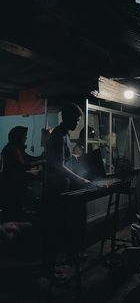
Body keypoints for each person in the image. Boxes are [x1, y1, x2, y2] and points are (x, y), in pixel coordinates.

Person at [43, 102, 89, 279]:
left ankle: (52, 265)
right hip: (55, 189)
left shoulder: (65, 135)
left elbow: (64, 158)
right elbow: (58, 165)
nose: (78, 123)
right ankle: (49, 268)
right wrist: (79, 179)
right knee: (53, 229)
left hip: (61, 187)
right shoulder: (58, 136)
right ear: (67, 118)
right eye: (76, 119)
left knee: (58, 227)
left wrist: (76, 157)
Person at [1, 126, 45, 221]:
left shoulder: (15, 148)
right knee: (13, 213)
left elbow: (30, 159)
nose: (26, 138)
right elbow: (23, 165)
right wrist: (41, 161)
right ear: (18, 137)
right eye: (24, 136)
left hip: (14, 186)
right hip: (12, 188)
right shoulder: (12, 150)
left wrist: (42, 157)